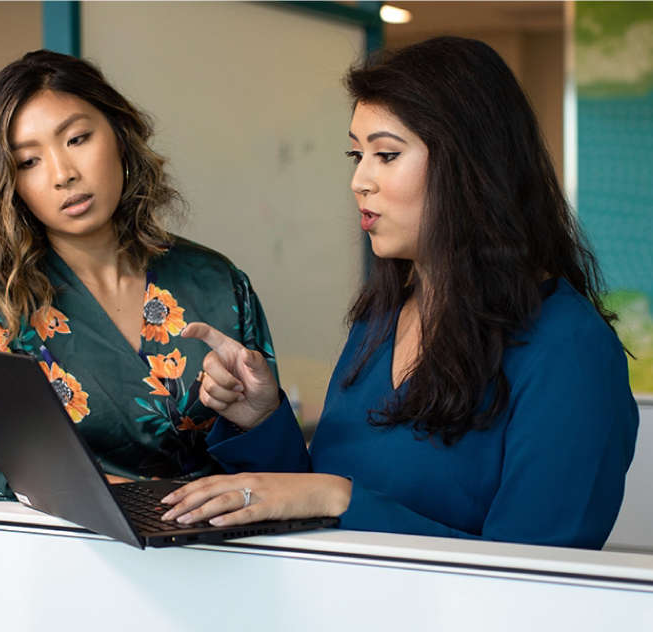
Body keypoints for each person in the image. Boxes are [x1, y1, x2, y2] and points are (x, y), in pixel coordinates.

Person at [160, 36, 639, 549]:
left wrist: (341, 501)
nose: (359, 180)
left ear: (472, 166)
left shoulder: (570, 351)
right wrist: (260, 419)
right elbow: (309, 502)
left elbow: (538, 579)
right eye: (356, 153)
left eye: (386, 154)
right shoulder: (381, 320)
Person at [0, 50, 276, 503]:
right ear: (9, 182)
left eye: (77, 139)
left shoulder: (217, 283)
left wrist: (260, 416)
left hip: (218, 556)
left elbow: (276, 474)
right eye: (28, 162)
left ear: (119, 133)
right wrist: (97, 496)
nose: (63, 175)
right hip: (59, 560)